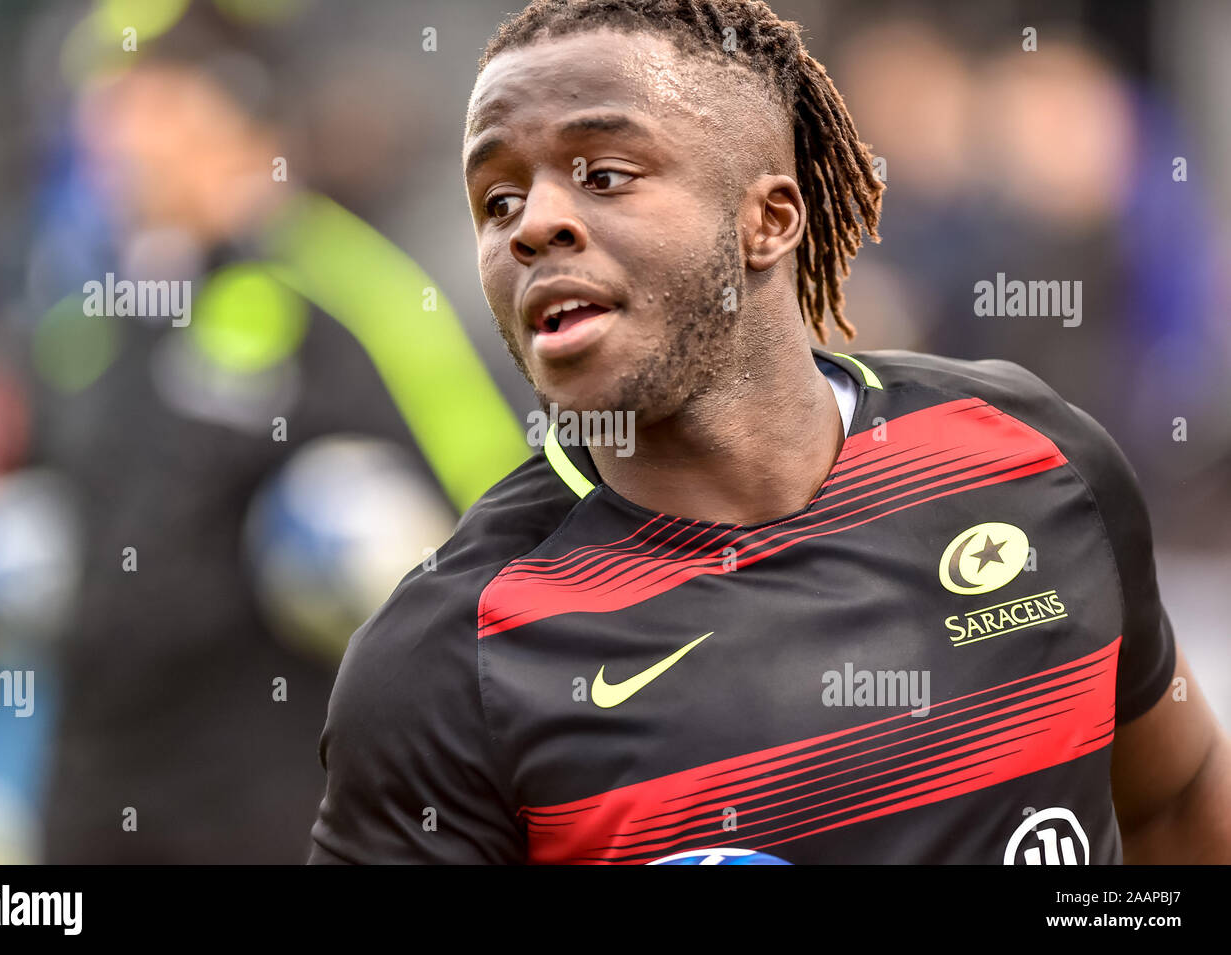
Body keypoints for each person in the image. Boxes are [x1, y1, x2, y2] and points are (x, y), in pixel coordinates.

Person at [309, 0, 1231, 864]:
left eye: (604, 174)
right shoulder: (445, 661)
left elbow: (1176, 795)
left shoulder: (1033, 458)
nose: (533, 224)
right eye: (498, 199)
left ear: (769, 219)